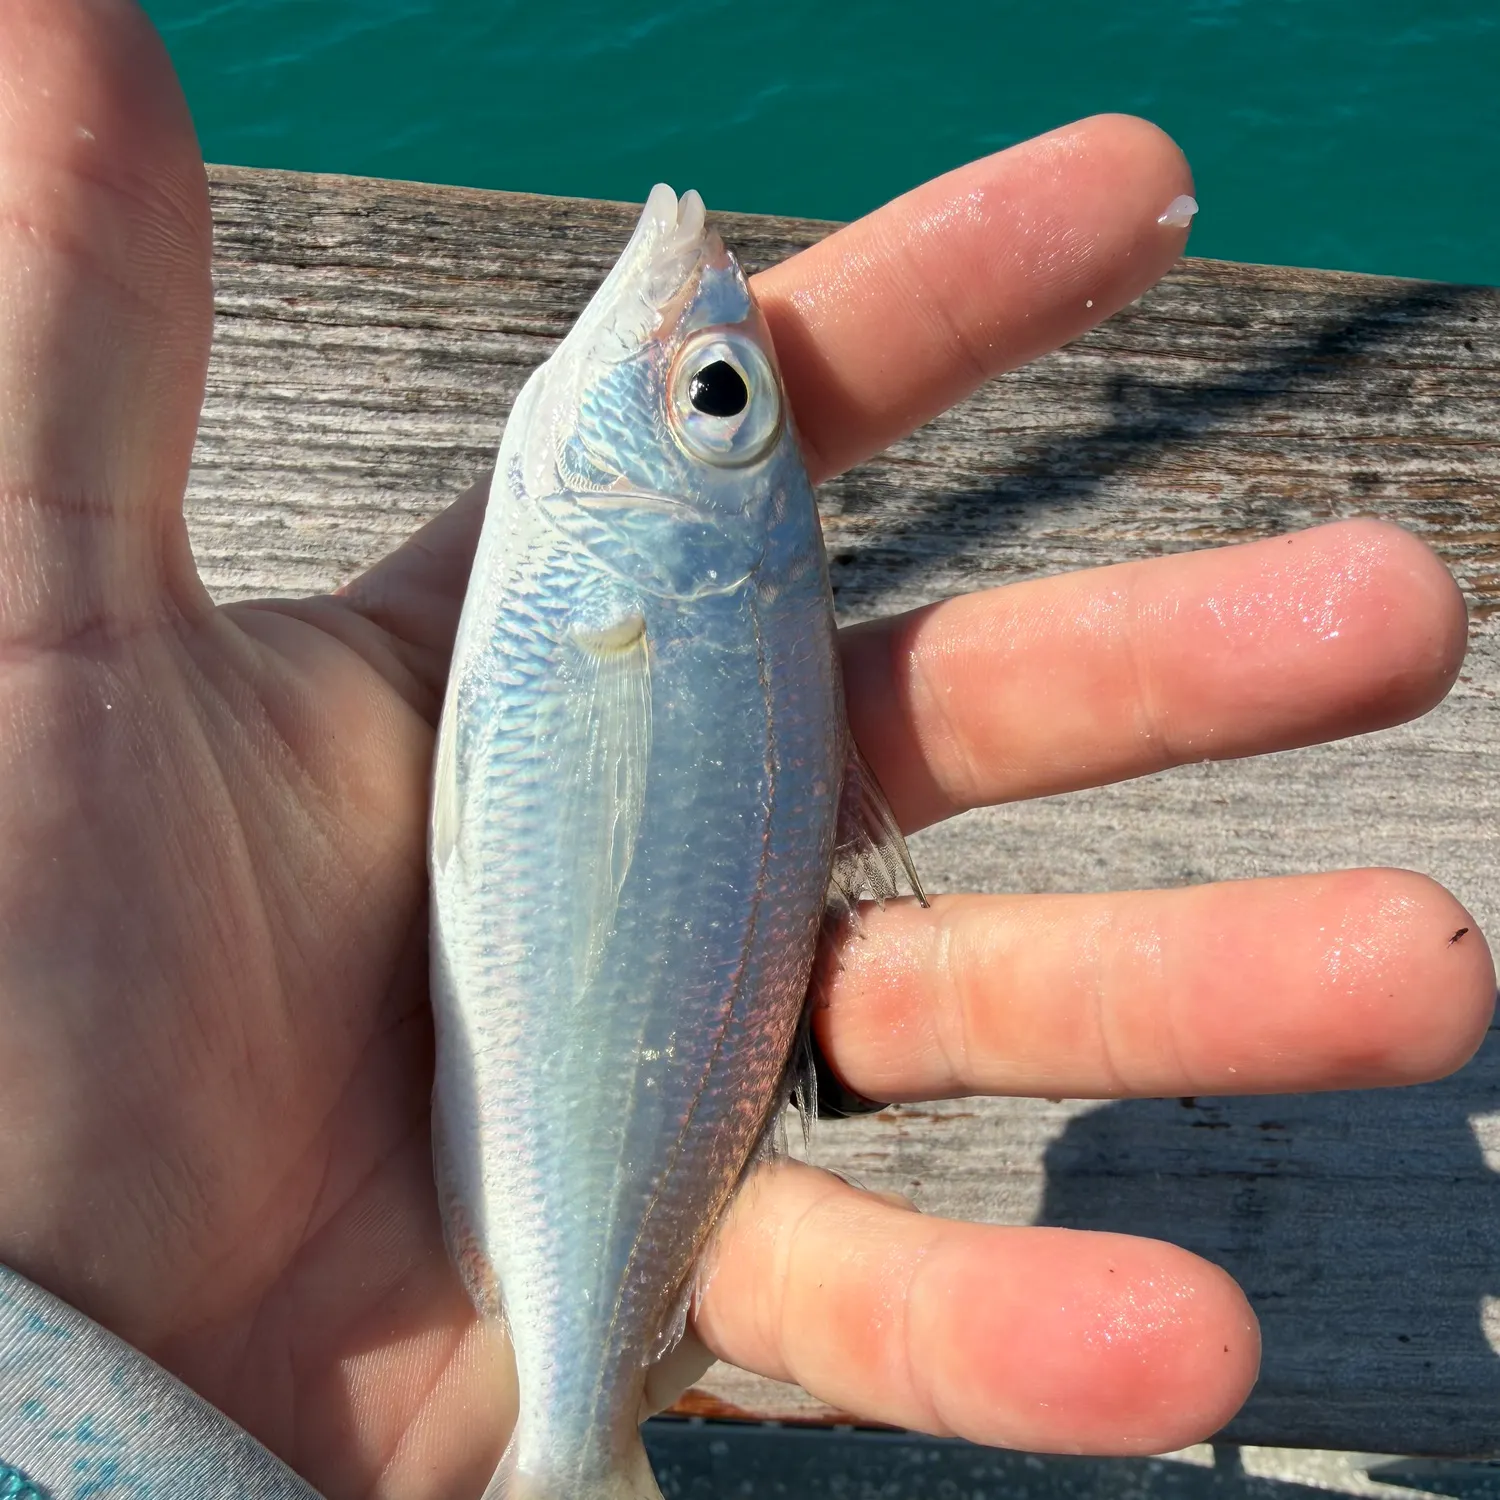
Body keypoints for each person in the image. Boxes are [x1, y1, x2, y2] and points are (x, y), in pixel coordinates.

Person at [0, 2, 1491, 1497]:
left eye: (713, 399)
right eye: (721, 399)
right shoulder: (650, 584)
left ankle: (571, 1442)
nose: (698, 326)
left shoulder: (636, 591)